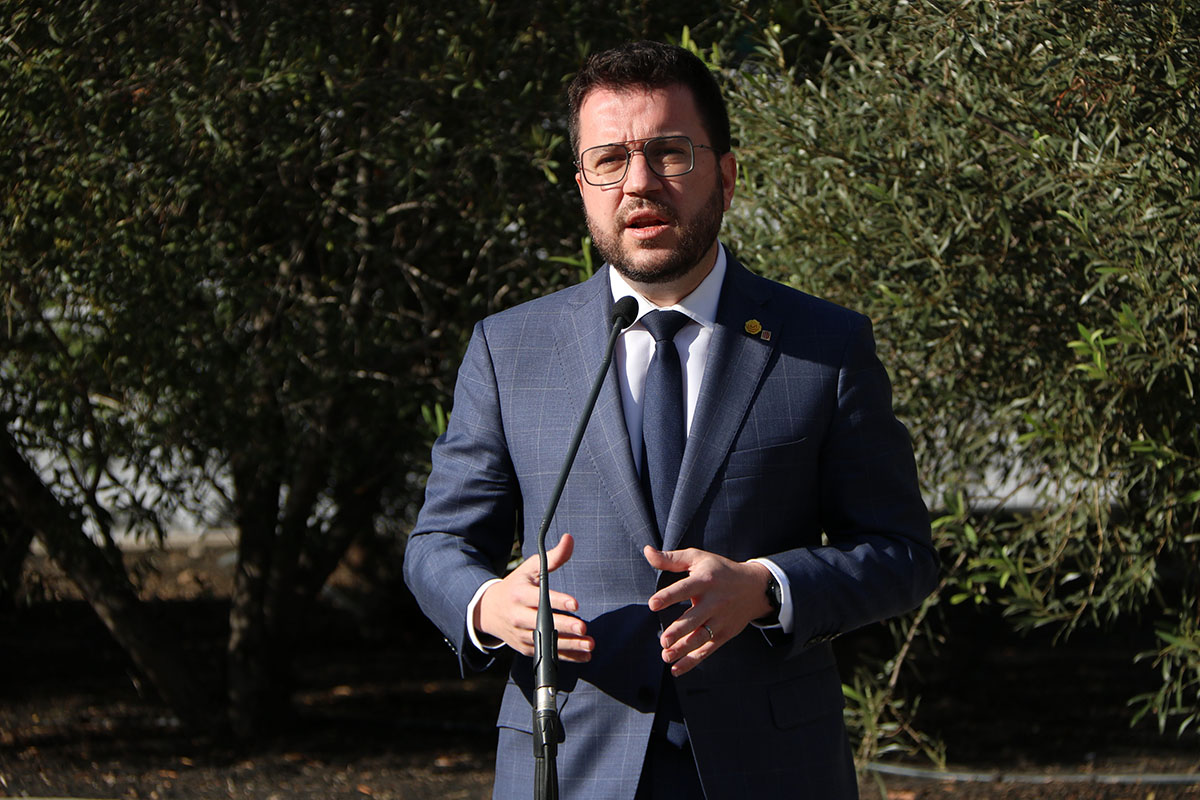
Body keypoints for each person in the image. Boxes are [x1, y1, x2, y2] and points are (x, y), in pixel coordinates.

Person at [404, 41, 938, 800]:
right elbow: (439, 545)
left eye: (669, 153)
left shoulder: (824, 345)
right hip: (567, 762)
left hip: (770, 769)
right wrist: (488, 603)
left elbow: (901, 552)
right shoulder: (510, 349)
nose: (640, 183)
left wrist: (768, 586)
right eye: (609, 160)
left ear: (726, 174)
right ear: (583, 186)